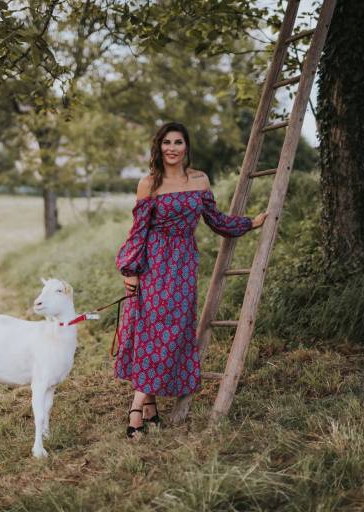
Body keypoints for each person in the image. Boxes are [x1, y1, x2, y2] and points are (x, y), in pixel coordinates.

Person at [114, 121, 268, 438]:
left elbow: (215, 220)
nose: (172, 148)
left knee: (174, 332)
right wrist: (130, 269)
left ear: (186, 147)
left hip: (184, 265)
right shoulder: (148, 184)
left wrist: (249, 223)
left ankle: (149, 407)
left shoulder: (199, 180)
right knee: (153, 331)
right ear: (159, 147)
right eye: (166, 142)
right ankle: (136, 410)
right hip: (154, 263)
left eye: (178, 142)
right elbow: (138, 232)